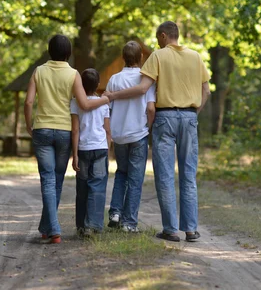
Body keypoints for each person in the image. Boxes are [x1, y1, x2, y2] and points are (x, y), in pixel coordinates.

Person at [104, 22, 211, 242]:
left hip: (165, 118)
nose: (156, 42)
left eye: (157, 38)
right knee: (188, 175)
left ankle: (170, 229)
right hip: (189, 116)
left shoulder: (157, 56)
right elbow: (206, 90)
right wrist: (193, 113)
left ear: (163, 36)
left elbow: (143, 89)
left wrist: (113, 96)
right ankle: (190, 229)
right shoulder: (196, 57)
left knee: (165, 176)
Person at [25, 35, 109, 244]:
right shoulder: (73, 74)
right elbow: (85, 104)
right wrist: (108, 98)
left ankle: (50, 228)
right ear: (68, 53)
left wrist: (29, 125)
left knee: (48, 179)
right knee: (57, 180)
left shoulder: (38, 71)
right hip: (64, 131)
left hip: (42, 129)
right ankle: (50, 228)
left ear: (49, 51)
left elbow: (28, 102)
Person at [106, 41, 156, 233]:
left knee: (121, 173)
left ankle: (115, 213)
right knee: (135, 179)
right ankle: (129, 223)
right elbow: (150, 108)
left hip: (119, 135)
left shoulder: (114, 79)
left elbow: (108, 110)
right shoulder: (146, 79)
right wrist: (148, 127)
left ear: (122, 57)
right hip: (138, 134)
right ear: (141, 58)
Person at [70, 68, 111, 237]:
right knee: (98, 187)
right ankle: (92, 225)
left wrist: (75, 155)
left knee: (82, 188)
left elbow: (75, 130)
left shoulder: (75, 102)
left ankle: (81, 226)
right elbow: (107, 130)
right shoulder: (103, 103)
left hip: (83, 149)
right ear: (98, 84)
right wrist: (108, 149)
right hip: (100, 148)